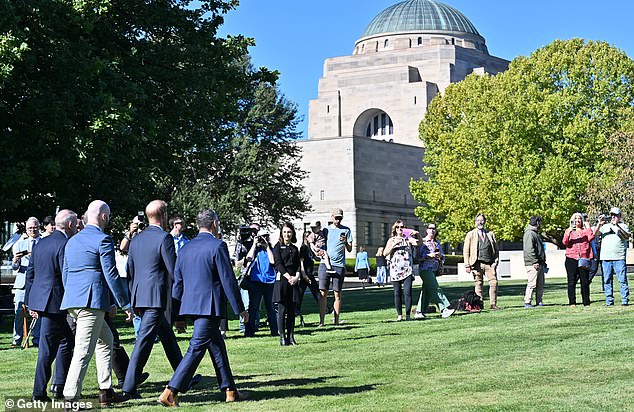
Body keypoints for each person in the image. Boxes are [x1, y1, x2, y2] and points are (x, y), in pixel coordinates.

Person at [158, 209, 248, 406]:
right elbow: (228, 280)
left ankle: (230, 390)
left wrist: (177, 313)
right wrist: (240, 308)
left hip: (192, 306)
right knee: (195, 348)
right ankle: (170, 391)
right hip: (210, 306)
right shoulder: (218, 246)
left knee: (217, 347)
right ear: (214, 223)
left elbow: (178, 284)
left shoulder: (184, 249)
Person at [123, 200, 199, 398]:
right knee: (144, 342)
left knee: (168, 338)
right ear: (164, 216)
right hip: (156, 298)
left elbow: (129, 270)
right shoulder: (164, 238)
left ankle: (184, 378)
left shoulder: (137, 239)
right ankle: (129, 387)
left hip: (141, 295)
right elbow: (174, 271)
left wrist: (133, 297)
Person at [61, 200, 133, 405]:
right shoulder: (103, 239)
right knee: (83, 350)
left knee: (106, 341)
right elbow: (111, 274)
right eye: (108, 217)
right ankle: (70, 398)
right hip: (91, 302)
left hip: (74, 301)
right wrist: (125, 304)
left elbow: (66, 274)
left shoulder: (72, 241)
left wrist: (72, 297)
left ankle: (106, 391)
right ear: (104, 217)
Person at [24, 210, 78, 401]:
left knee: (66, 341)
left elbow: (31, 274)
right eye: (76, 224)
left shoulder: (40, 243)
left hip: (42, 300)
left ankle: (59, 385)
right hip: (55, 302)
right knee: (48, 349)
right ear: (70, 225)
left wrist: (31, 302)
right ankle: (39, 392)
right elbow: (66, 276)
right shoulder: (65, 244)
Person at [272, 222, 305, 346]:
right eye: (285, 232)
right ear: (281, 233)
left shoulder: (294, 248)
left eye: (289, 232)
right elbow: (278, 264)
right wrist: (288, 277)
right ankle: (282, 337)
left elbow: (297, 265)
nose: (287, 234)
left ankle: (291, 336)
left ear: (293, 233)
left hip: (293, 281)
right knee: (282, 309)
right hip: (282, 280)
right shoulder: (277, 247)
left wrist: (296, 276)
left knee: (292, 310)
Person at [318, 208, 353, 326]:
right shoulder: (326, 230)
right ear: (331, 217)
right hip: (325, 264)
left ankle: (336, 321)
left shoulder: (346, 230)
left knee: (337, 293)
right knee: (323, 293)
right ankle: (322, 321)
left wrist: (346, 242)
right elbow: (321, 245)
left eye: (340, 218)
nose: (338, 220)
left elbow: (350, 249)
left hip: (339, 265)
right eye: (336, 218)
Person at [11, 217, 42, 347]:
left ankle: (37, 339)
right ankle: (17, 339)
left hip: (38, 283)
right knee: (18, 311)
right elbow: (15, 268)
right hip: (22, 284)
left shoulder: (44, 243)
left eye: (35, 227)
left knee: (39, 311)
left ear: (39, 228)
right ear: (26, 230)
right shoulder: (19, 244)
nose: (32, 230)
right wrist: (15, 260)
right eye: (30, 228)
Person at [383, 220, 421, 321]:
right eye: (398, 227)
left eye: (402, 227)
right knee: (397, 292)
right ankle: (399, 315)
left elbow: (419, 243)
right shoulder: (391, 240)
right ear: (395, 229)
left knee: (408, 292)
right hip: (395, 269)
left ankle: (408, 315)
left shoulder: (408, 239)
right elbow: (384, 253)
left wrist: (417, 234)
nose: (400, 229)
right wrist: (394, 245)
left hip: (407, 269)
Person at [415, 223, 454, 318]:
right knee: (436, 288)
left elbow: (443, 256)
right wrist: (428, 256)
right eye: (430, 228)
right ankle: (444, 308)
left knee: (427, 291)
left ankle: (419, 312)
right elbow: (417, 257)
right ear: (426, 230)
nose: (432, 230)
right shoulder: (422, 242)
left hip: (434, 269)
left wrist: (440, 256)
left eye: (434, 228)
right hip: (425, 269)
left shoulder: (437, 243)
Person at [244, 229, 278, 337]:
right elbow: (249, 258)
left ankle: (274, 331)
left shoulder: (271, 249)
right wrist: (254, 244)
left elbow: (273, 261)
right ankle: (249, 332)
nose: (263, 239)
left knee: (271, 308)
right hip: (255, 281)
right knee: (253, 308)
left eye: (265, 236)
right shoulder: (255, 250)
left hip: (269, 281)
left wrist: (267, 246)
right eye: (261, 237)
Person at [464, 214, 502, 310]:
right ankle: (479, 305)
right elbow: (466, 251)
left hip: (489, 263)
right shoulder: (471, 234)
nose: (480, 222)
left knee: (494, 283)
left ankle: (493, 304)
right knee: (478, 284)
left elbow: (496, 250)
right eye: (478, 220)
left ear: (485, 221)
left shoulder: (490, 234)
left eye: (482, 220)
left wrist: (495, 261)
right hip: (476, 264)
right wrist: (467, 265)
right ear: (475, 222)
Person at [594, 207, 630, 306]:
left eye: (615, 215)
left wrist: (617, 226)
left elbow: (626, 236)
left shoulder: (624, 226)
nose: (613, 217)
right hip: (606, 258)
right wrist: (599, 224)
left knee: (622, 279)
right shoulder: (605, 226)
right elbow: (595, 234)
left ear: (620, 216)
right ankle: (609, 301)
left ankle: (625, 300)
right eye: (612, 215)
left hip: (619, 257)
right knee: (607, 280)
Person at [562, 212, 594, 307]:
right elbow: (565, 242)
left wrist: (588, 228)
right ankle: (572, 302)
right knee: (571, 281)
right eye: (575, 219)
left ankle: (586, 302)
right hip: (571, 258)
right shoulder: (569, 230)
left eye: (579, 218)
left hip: (583, 258)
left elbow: (591, 238)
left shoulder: (585, 230)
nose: (577, 220)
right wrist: (568, 232)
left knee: (584, 281)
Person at [522, 216, 547, 308]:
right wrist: (534, 261)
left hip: (539, 263)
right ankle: (527, 301)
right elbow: (529, 249)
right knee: (532, 283)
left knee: (540, 283)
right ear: (537, 223)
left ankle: (539, 300)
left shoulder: (534, 233)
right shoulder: (529, 233)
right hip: (533, 263)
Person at [297, 232, 319, 326]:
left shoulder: (310, 247)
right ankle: (296, 309)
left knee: (315, 292)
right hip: (306, 274)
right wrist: (304, 274)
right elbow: (301, 262)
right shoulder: (303, 248)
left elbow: (316, 258)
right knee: (301, 293)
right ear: (305, 237)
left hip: (310, 274)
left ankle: (324, 308)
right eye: (309, 236)